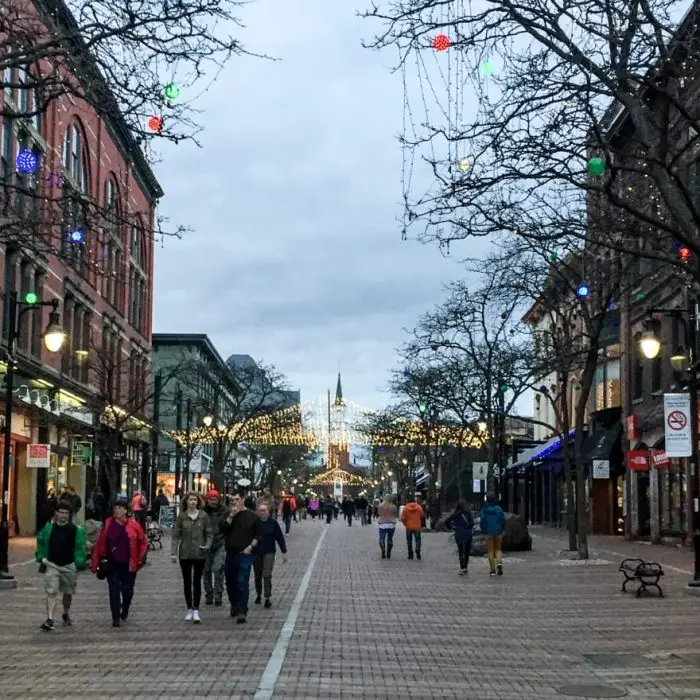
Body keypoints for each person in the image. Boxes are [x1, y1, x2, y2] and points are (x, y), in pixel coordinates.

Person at [92, 499, 148, 627]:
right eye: (115, 508)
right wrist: (96, 562)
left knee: (127, 590)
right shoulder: (107, 524)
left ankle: (125, 607)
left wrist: (141, 558)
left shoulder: (134, 525)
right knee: (114, 589)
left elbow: (143, 542)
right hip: (112, 562)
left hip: (129, 563)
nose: (117, 511)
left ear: (126, 511)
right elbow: (101, 543)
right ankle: (115, 617)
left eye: (120, 508)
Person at [35, 500, 87, 630]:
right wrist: (41, 558)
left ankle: (65, 612)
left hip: (69, 565)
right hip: (52, 564)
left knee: (67, 592)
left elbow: (80, 547)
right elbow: (41, 543)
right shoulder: (48, 528)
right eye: (61, 512)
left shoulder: (76, 530)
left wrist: (78, 562)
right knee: (51, 592)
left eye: (66, 513)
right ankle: (50, 618)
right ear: (56, 513)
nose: (63, 515)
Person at [220, 490, 263, 624]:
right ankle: (234, 603)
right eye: (232, 499)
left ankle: (242, 611)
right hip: (230, 553)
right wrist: (231, 516)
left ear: (243, 499)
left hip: (245, 554)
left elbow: (258, 535)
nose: (234, 502)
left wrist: (250, 547)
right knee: (230, 581)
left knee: (242, 581)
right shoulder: (227, 515)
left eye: (237, 499)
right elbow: (223, 530)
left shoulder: (252, 516)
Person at [171, 492, 213, 623]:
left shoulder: (203, 516)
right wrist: (173, 552)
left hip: (199, 553)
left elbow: (209, 533)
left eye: (195, 500)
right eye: (190, 500)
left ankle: (196, 609)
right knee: (187, 581)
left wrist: (207, 545)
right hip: (185, 553)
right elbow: (176, 535)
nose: (193, 502)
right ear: (186, 502)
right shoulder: (182, 517)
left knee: (197, 581)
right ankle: (189, 608)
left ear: (198, 502)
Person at [254, 503, 287, 608]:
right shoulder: (255, 523)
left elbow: (280, 537)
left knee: (266, 574)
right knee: (257, 575)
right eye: (260, 510)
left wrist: (284, 551)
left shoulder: (273, 523)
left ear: (268, 511)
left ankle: (267, 597)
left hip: (269, 552)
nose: (262, 513)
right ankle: (258, 594)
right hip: (256, 552)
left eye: (264, 510)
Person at [203, 488, 226, 606]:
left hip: (219, 543)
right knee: (206, 571)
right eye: (211, 499)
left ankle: (218, 594)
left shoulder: (223, 512)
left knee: (218, 569)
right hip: (205, 545)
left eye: (215, 499)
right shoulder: (202, 513)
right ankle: (209, 593)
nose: (213, 501)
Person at [444, 499, 474, 574]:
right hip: (467, 534)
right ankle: (465, 567)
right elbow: (472, 523)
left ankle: (462, 567)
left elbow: (446, 521)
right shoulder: (468, 513)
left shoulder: (455, 514)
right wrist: (468, 528)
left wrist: (452, 527)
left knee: (461, 551)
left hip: (459, 534)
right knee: (467, 552)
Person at [480, 492, 506, 576]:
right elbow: (502, 519)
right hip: (498, 531)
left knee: (490, 551)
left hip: (488, 532)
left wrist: (483, 529)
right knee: (498, 549)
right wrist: (502, 528)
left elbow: (482, 521)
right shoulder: (499, 509)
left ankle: (492, 570)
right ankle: (499, 562)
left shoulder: (484, 509)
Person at [401, 495, 424, 560]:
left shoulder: (405, 508)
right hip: (417, 526)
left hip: (409, 526)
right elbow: (422, 515)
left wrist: (406, 524)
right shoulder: (419, 507)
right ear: (414, 500)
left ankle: (410, 554)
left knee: (409, 541)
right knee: (418, 539)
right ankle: (417, 550)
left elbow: (403, 518)